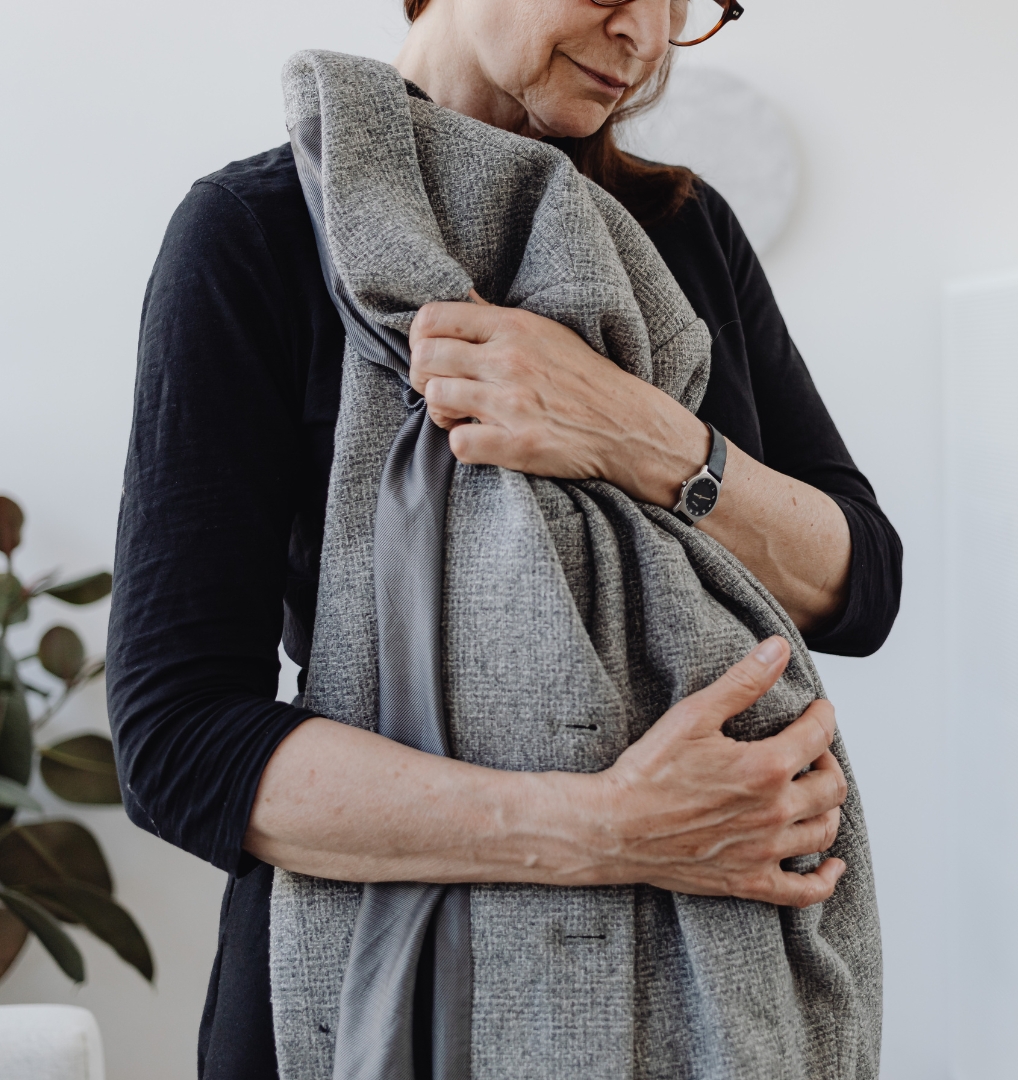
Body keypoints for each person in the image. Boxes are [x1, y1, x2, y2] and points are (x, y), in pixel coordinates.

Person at [107, 1, 902, 1078]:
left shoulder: (680, 230)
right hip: (362, 996)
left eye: (685, 6)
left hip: (722, 990)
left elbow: (859, 581)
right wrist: (616, 829)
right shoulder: (260, 231)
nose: (649, 39)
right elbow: (179, 741)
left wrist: (643, 435)